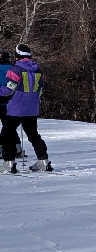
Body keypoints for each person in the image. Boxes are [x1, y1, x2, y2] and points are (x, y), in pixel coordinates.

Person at [1, 42, 52, 173]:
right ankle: (43, 161)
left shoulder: (15, 70)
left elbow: (8, 90)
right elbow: (40, 90)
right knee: (33, 135)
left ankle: (9, 163)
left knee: (7, 134)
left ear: (17, 55)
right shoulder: (38, 70)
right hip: (32, 109)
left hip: (15, 109)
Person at [0, 50, 24, 161]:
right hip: (11, 102)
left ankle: (3, 149)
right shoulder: (14, 69)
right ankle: (18, 149)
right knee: (9, 127)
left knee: (7, 128)